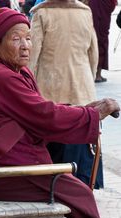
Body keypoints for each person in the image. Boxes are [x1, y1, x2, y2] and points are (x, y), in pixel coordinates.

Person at [0, 7, 120, 218]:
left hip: (2, 165)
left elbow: (39, 111)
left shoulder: (12, 71)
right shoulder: (0, 76)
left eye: (28, 38)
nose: (25, 45)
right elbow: (46, 116)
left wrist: (87, 110)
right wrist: (93, 114)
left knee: (71, 181)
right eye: (16, 39)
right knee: (81, 195)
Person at [29, 0, 103, 188]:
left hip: (50, 88)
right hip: (82, 87)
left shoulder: (42, 13)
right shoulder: (85, 12)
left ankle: (54, 185)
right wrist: (89, 79)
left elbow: (32, 56)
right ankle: (83, 183)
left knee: (54, 144)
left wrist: (29, 87)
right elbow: (93, 53)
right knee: (81, 140)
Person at [89, 0, 117, 83]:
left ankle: (93, 74)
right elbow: (112, 3)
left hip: (93, 7)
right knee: (101, 41)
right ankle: (97, 75)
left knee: (93, 40)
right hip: (99, 8)